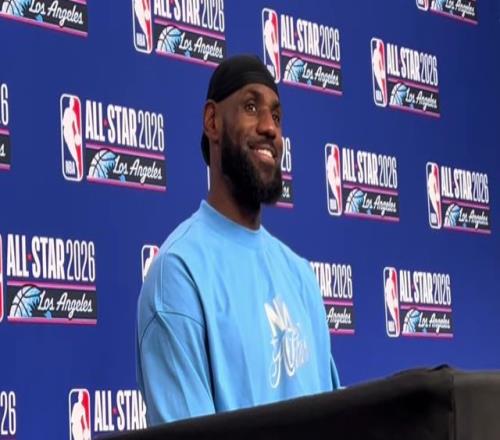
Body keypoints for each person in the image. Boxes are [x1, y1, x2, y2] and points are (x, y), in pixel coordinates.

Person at [136, 54, 340, 426]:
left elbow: (339, 422)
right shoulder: (179, 275)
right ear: (212, 121)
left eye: (276, 116)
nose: (270, 128)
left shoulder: (301, 276)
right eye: (250, 107)